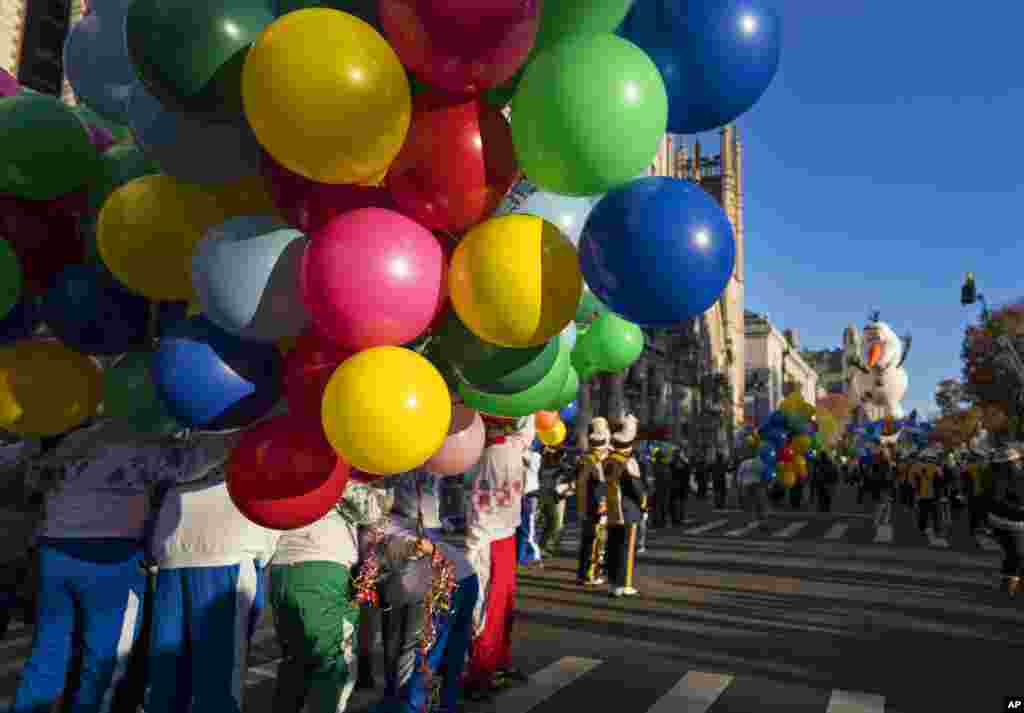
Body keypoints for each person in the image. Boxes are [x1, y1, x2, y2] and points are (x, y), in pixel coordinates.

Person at [11, 422, 235, 713]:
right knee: (105, 661)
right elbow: (185, 464)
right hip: (112, 559)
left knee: (47, 652)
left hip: (55, 552)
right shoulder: (130, 435)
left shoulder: (62, 439)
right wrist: (237, 438)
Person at [145, 445, 279, 713]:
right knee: (217, 675)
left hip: (176, 552)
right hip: (224, 554)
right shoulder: (252, 436)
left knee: (168, 672)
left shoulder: (182, 435)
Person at [268, 495, 361, 713]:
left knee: (296, 662)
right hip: (322, 566)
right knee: (333, 662)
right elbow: (370, 510)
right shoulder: (338, 470)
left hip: (284, 566)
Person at [463, 415, 534, 699]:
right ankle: (480, 673)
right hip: (490, 538)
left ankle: (496, 665)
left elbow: (526, 430)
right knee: (489, 609)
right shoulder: (493, 453)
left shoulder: (507, 447)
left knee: (501, 606)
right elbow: (479, 507)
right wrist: (474, 547)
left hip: (501, 536)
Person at [603, 416, 645, 598]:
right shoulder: (629, 462)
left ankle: (613, 582)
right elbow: (637, 490)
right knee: (627, 549)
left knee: (613, 546)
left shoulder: (607, 459)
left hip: (612, 508)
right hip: (628, 509)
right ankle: (624, 584)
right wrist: (644, 505)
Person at [576, 418, 610, 588]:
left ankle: (583, 573)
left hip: (585, 505)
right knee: (595, 542)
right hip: (596, 506)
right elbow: (603, 483)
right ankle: (590, 574)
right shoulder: (595, 461)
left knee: (587, 541)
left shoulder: (584, 458)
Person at [986, 445, 1024, 597]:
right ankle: (1009, 588)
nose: (1019, 463)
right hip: (1008, 521)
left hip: (1008, 520)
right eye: (1016, 461)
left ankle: (1010, 586)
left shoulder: (1013, 475)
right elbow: (998, 502)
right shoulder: (1000, 478)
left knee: (1015, 554)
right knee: (1017, 554)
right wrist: (1019, 510)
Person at [537, 446, 569, 557]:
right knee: (544, 522)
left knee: (554, 522)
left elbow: (569, 476)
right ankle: (540, 547)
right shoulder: (541, 463)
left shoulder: (561, 467)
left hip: (552, 497)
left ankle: (543, 546)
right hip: (541, 495)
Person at [516, 449, 543, 568]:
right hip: (517, 494)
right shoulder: (514, 451)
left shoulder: (535, 455)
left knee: (528, 527)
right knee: (519, 527)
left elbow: (529, 464)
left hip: (529, 494)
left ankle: (533, 556)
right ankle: (521, 556)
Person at [651, 448, 673, 529]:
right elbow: (669, 477)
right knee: (662, 505)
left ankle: (658, 521)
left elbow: (652, 477)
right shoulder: (664, 466)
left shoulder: (655, 466)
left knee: (657, 505)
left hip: (658, 488)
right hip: (663, 488)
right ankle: (662, 521)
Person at [670, 449, 691, 526]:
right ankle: (679, 518)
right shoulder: (684, 463)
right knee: (680, 502)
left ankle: (678, 518)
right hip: (680, 485)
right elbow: (688, 473)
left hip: (677, 486)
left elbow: (688, 473)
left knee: (678, 502)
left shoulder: (672, 464)